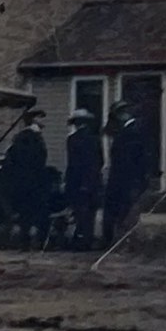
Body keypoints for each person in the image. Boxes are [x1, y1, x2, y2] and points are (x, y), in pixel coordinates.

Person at [102, 101, 149, 247]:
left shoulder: (131, 133)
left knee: (124, 213)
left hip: (126, 182)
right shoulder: (129, 132)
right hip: (125, 181)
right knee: (121, 213)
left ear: (122, 115)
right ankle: (119, 243)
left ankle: (122, 243)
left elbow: (130, 161)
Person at [2, 108, 49, 250]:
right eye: (41, 118)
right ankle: (32, 241)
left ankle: (25, 240)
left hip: (22, 179)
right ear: (34, 119)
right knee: (33, 210)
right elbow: (36, 159)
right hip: (32, 179)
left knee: (25, 211)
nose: (43, 121)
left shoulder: (21, 137)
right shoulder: (32, 137)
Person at [63, 108, 104, 251]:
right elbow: (100, 161)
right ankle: (87, 239)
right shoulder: (95, 139)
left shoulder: (72, 140)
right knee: (89, 213)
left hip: (77, 181)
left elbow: (72, 164)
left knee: (80, 212)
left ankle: (81, 240)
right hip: (92, 182)